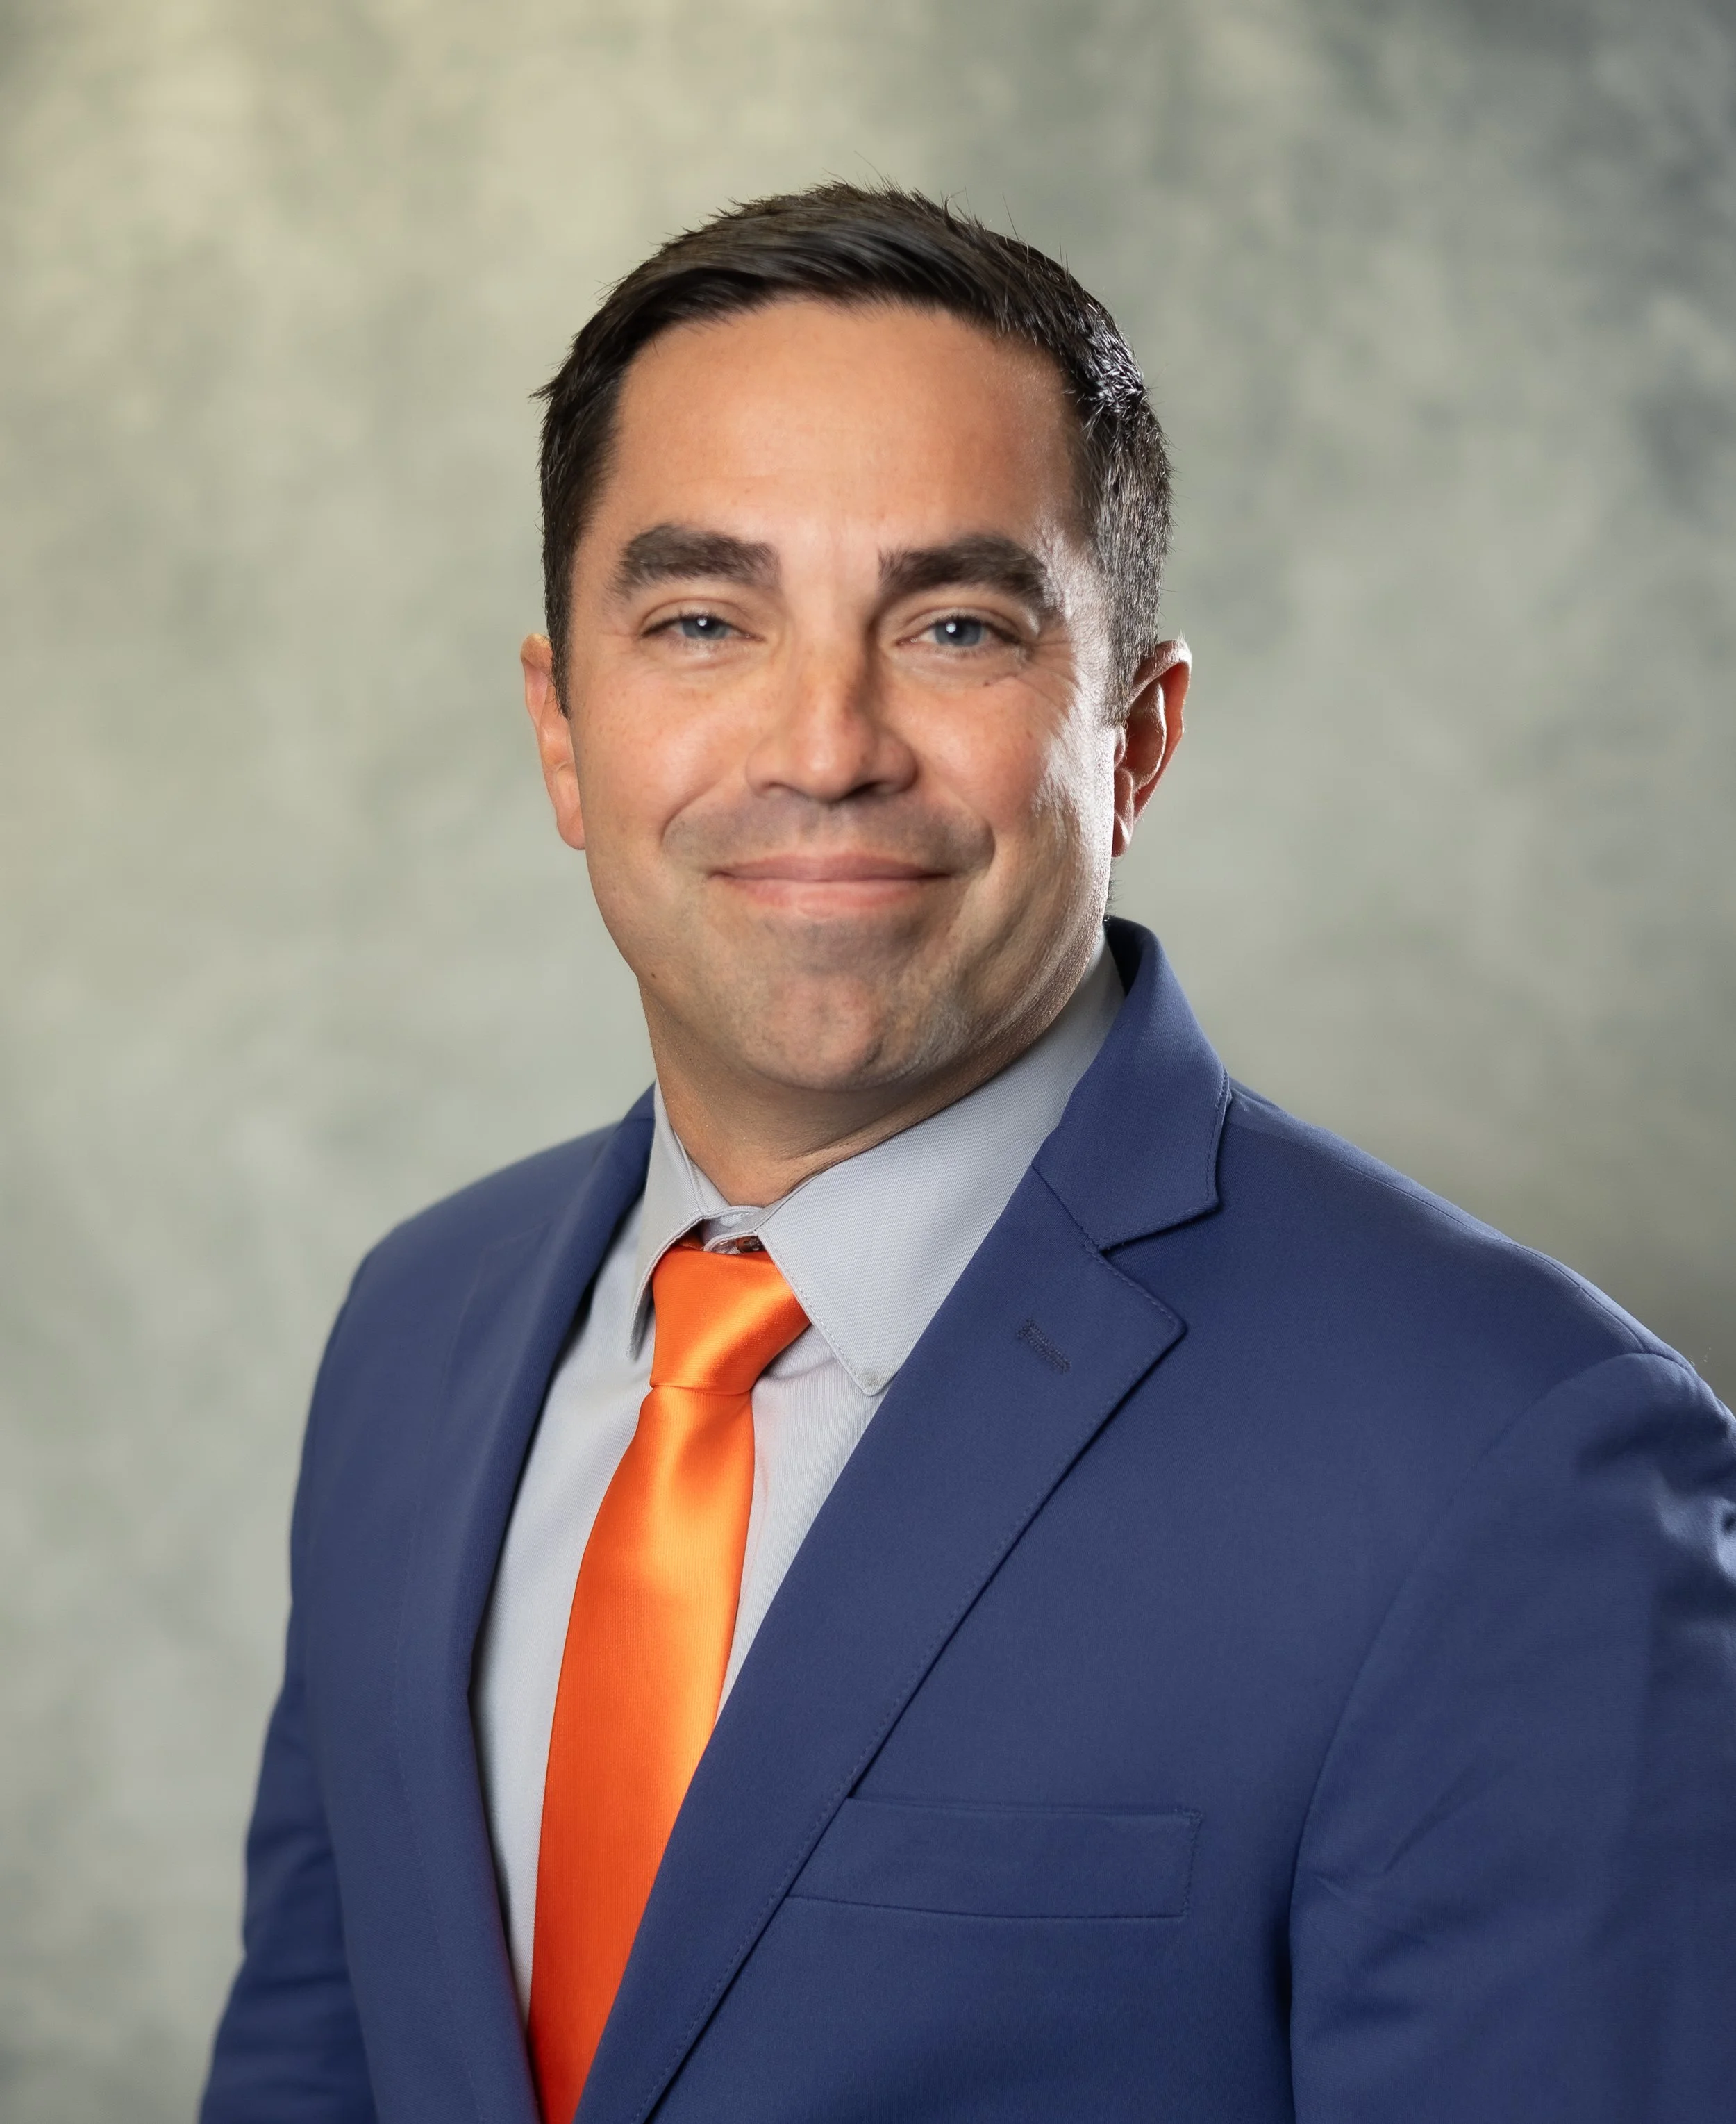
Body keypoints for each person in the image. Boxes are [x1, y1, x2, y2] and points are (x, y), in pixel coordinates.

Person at [201, 184, 1736, 2124]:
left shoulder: (1513, 1460)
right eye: (702, 622)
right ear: (564, 731)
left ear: (1135, 741)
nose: (824, 743)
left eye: (954, 626)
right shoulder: (415, 1331)